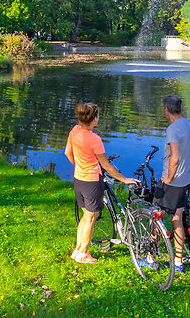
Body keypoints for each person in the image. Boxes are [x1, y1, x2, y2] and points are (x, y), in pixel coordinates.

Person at [65, 102, 138, 264]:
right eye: (98, 116)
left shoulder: (74, 131)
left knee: (86, 216)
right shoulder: (94, 139)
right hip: (91, 182)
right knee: (91, 218)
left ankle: (78, 250)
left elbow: (67, 153)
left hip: (78, 179)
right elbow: (105, 164)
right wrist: (124, 179)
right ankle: (83, 253)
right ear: (93, 119)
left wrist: (79, 166)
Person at [152, 94, 190, 273]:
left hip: (171, 183)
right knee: (177, 219)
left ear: (166, 110)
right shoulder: (188, 125)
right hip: (184, 181)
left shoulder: (172, 129)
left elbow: (175, 157)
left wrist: (170, 178)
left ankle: (150, 257)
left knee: (155, 216)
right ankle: (178, 261)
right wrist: (184, 172)